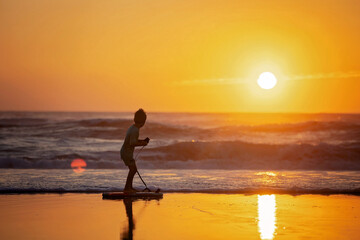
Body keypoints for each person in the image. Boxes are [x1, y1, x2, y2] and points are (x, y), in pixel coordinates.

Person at [120, 109, 150, 193]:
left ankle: (128, 187)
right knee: (133, 170)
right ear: (143, 122)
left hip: (126, 152)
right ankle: (127, 188)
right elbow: (132, 142)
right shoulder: (135, 130)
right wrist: (142, 144)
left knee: (133, 170)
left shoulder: (133, 128)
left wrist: (142, 141)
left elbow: (133, 140)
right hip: (127, 153)